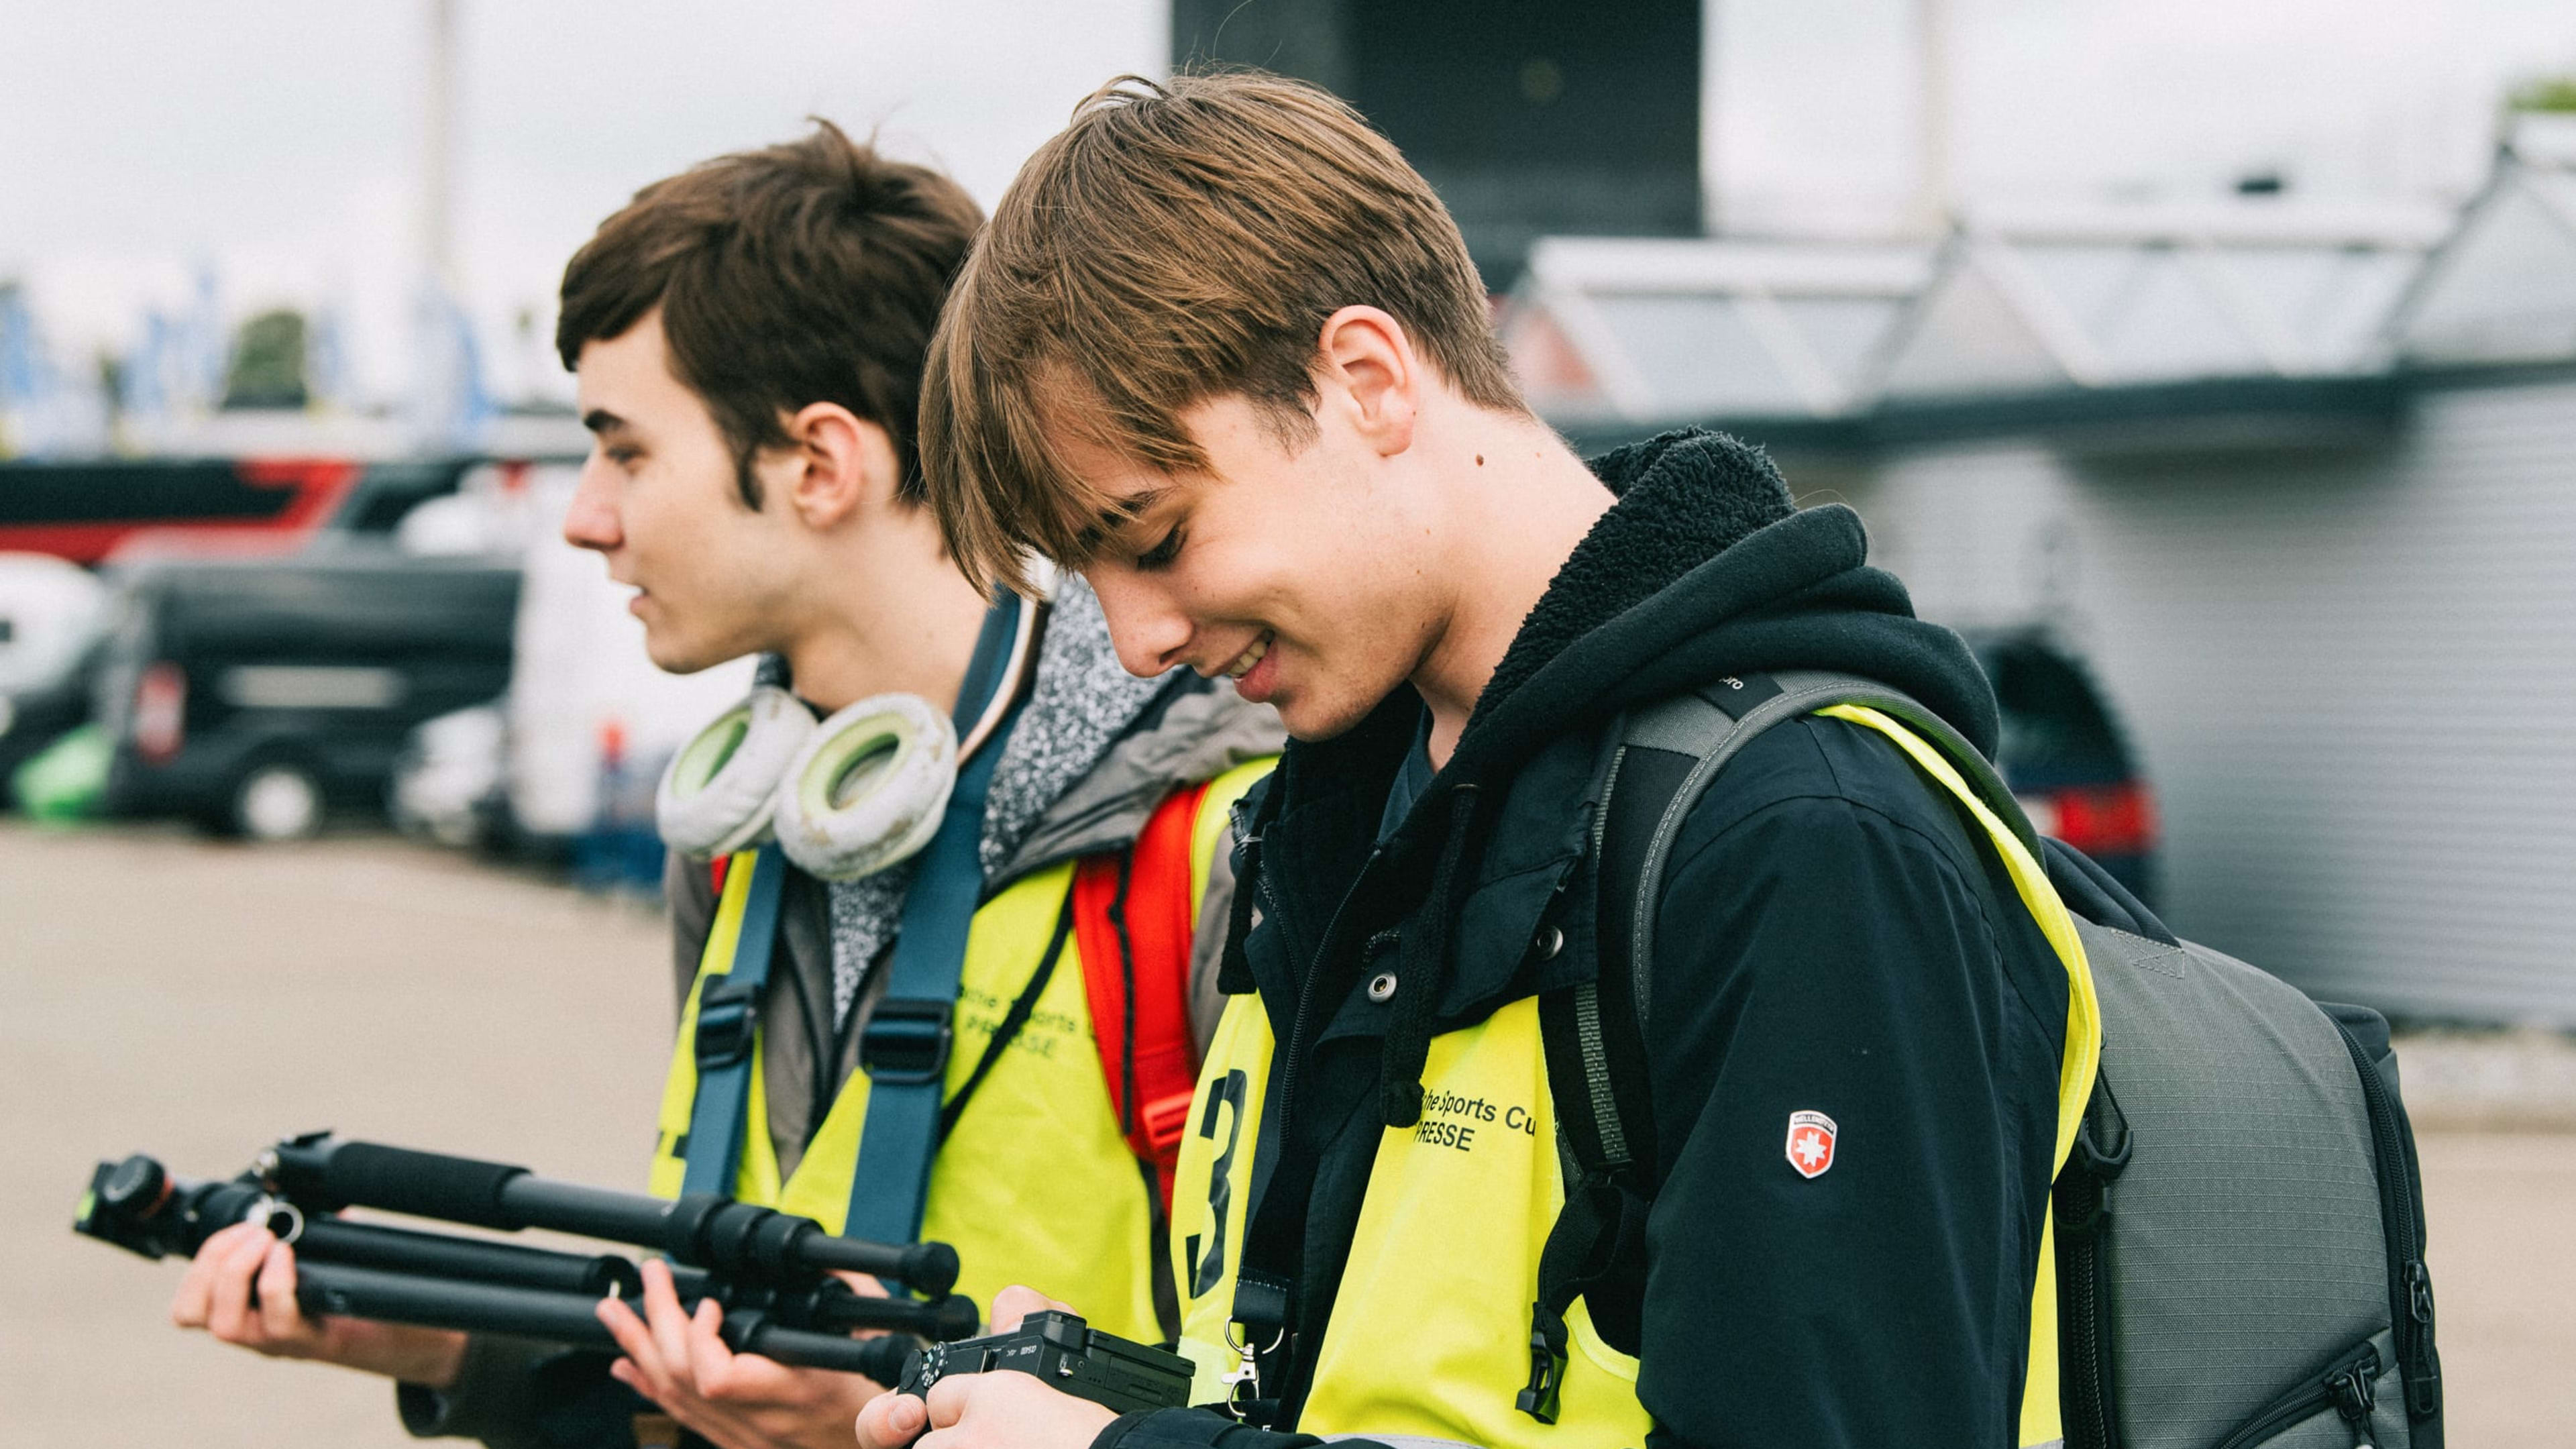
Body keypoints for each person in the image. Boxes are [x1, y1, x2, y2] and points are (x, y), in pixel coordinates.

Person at [867, 72, 2104, 1449]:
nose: (1139, 639)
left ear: (1369, 380)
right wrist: (1117, 1399)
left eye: (1153, 538)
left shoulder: (1811, 840)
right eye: (1090, 578)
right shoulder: (1334, 831)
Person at [168, 121, 1279, 1449]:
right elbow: (714, 1367)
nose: (584, 514)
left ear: (820, 463)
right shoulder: (743, 828)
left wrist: (890, 1413)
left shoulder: (1221, 839)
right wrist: (438, 1336)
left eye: (626, 451)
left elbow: (1282, 1404)